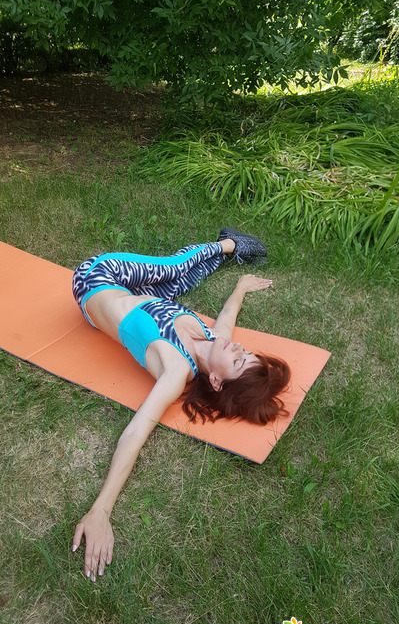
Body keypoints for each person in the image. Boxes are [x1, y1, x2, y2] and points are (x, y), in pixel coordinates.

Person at [70, 228, 290, 582]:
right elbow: (227, 319)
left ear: (216, 382)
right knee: (182, 279)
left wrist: (101, 510)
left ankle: (229, 244)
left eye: (237, 361)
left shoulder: (176, 369)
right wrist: (240, 287)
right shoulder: (216, 343)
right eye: (245, 352)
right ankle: (227, 248)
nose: (236, 348)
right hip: (138, 295)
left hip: (95, 279)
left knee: (175, 267)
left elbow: (136, 432)